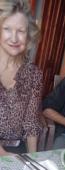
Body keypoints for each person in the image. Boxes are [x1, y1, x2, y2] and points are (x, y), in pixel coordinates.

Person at [0, 0, 43, 156]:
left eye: (21, 31)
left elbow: (31, 123)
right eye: (7, 29)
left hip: (17, 149)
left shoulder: (34, 74)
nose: (14, 38)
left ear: (28, 35)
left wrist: (33, 158)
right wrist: (4, 155)